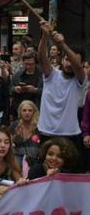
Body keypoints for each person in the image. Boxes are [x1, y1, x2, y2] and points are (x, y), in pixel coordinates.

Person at [37, 21, 86, 163]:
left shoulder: (80, 80)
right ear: (61, 59)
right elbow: (41, 58)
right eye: (66, 59)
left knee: (69, 174)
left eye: (73, 61)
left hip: (70, 135)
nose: (69, 64)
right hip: (46, 132)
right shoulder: (51, 75)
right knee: (45, 173)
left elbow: (77, 66)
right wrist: (45, 36)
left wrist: (62, 44)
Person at [10, 52, 43, 118]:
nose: (28, 66)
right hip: (20, 108)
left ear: (36, 63)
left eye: (31, 64)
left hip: (37, 109)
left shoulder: (42, 75)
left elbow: (49, 92)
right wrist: (15, 89)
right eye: (26, 64)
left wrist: (35, 90)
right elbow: (10, 89)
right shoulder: (18, 75)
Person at [10, 100, 41, 168]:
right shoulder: (15, 125)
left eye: (30, 110)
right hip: (19, 156)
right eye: (24, 110)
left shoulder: (39, 126)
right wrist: (17, 136)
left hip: (35, 157)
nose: (27, 113)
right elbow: (9, 143)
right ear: (20, 112)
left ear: (34, 112)